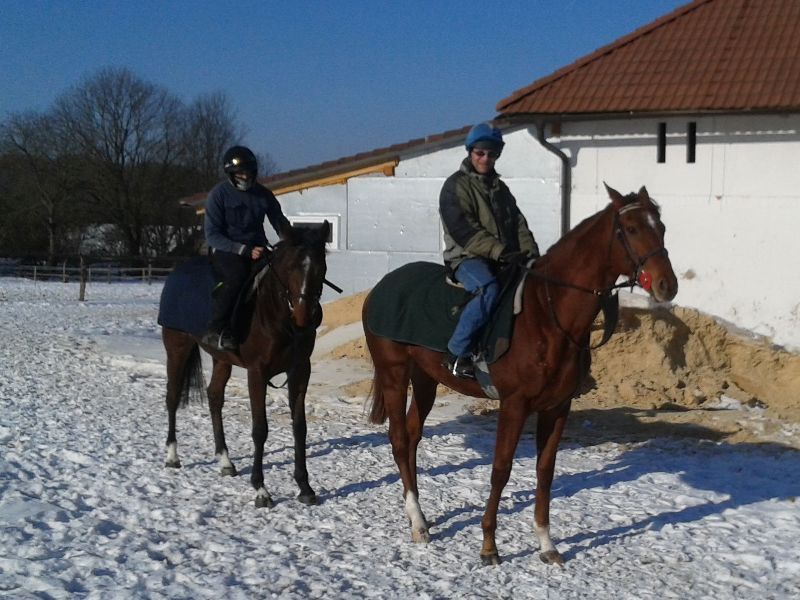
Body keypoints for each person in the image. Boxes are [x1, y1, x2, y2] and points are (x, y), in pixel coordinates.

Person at [439, 123, 540, 378]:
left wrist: (531, 254)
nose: (485, 158)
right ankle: (456, 352)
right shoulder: (455, 186)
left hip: (501, 256)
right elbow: (464, 230)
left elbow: (518, 223)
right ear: (470, 152)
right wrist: (501, 251)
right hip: (467, 257)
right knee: (487, 289)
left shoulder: (500, 189)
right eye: (480, 153)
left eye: (491, 154)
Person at [202, 145, 291, 351]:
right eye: (240, 173)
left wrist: (291, 239)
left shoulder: (263, 195)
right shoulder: (218, 195)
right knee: (237, 279)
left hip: (258, 248)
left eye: (249, 172)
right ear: (231, 174)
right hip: (227, 251)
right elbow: (212, 235)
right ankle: (217, 329)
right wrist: (243, 250)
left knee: (280, 276)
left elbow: (279, 221)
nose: (245, 176)